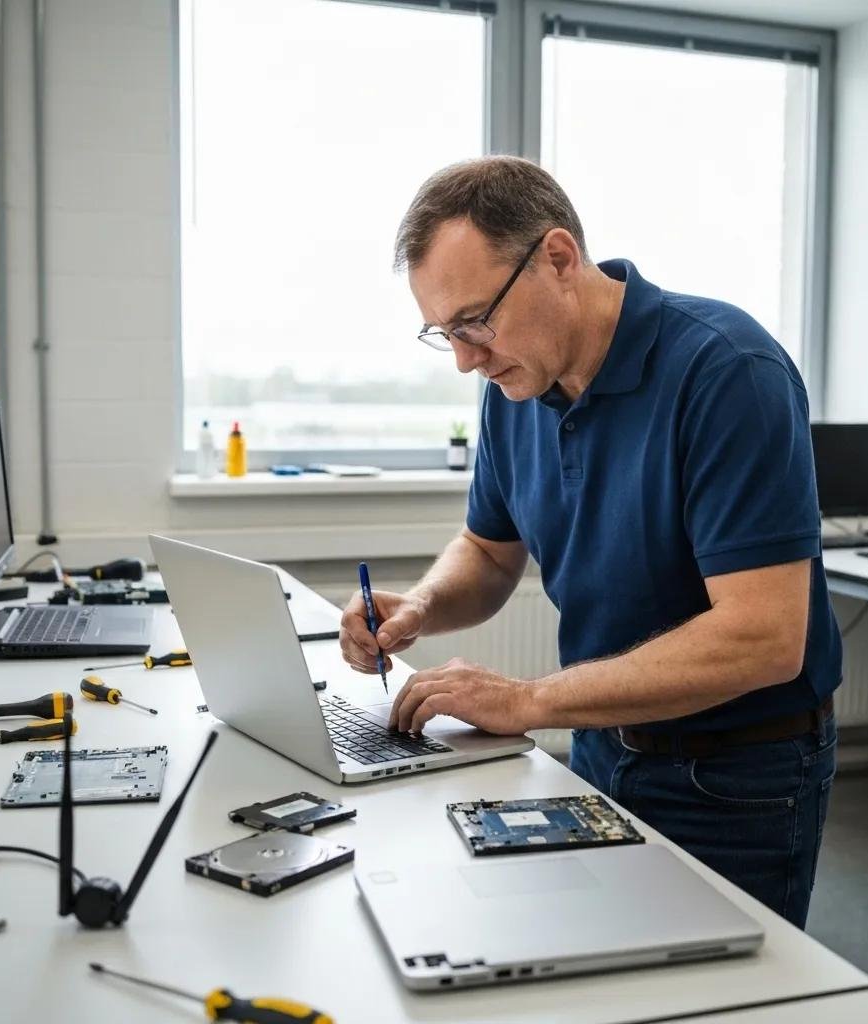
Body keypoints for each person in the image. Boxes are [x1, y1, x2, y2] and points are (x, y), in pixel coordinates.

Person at [339, 156, 840, 929]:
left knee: (723, 1001)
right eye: (446, 334)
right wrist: (423, 606)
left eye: (476, 320)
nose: (468, 357)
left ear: (559, 258)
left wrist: (529, 700)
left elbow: (764, 638)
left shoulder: (726, 370)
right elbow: (489, 550)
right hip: (601, 748)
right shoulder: (516, 385)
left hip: (736, 774)